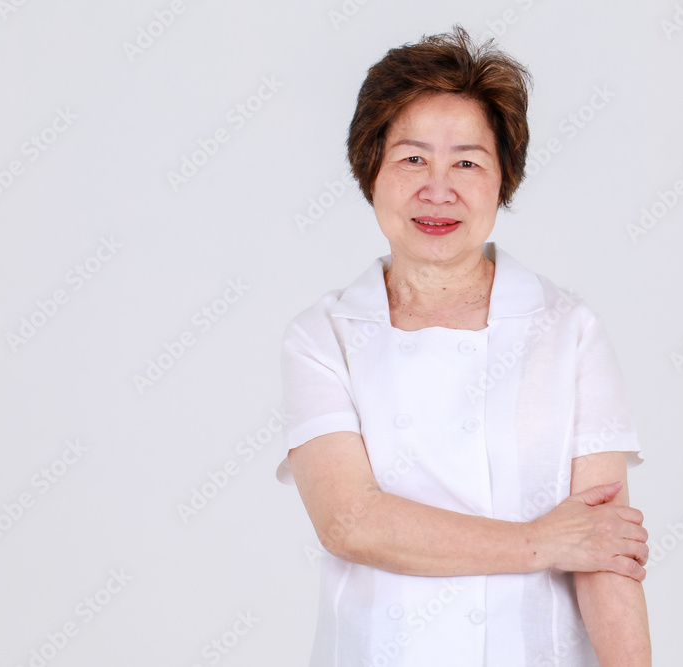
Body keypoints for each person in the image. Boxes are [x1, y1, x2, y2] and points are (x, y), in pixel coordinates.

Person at [275, 26, 651, 666]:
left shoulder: (569, 331)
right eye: (412, 159)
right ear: (371, 169)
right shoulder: (324, 336)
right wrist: (541, 543)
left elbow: (603, 549)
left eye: (468, 163)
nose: (438, 189)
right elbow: (350, 522)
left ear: (504, 180)